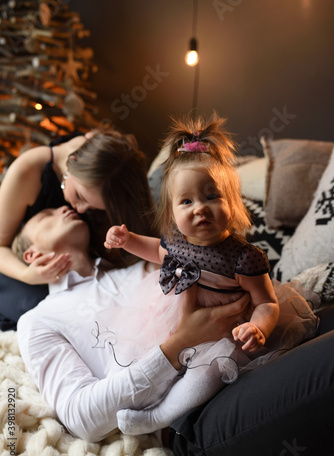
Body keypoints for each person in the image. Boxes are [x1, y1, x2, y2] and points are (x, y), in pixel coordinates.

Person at [15, 205, 334, 456]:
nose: (62, 208)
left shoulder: (139, 266)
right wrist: (181, 342)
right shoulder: (39, 320)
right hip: (196, 420)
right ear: (31, 255)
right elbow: (82, 417)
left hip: (256, 354)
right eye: (46, 216)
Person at [104, 114, 318, 435]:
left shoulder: (244, 258)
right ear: (173, 214)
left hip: (223, 334)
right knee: (142, 351)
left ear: (232, 201)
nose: (199, 208)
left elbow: (267, 303)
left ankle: (160, 416)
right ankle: (140, 398)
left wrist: (257, 327)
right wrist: (128, 240)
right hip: (175, 321)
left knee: (206, 376)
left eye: (211, 196)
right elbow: (154, 251)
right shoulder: (176, 243)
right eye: (186, 201)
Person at [0, 127, 156, 329]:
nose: (80, 209)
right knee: (52, 312)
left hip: (87, 262)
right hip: (22, 264)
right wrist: (26, 275)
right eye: (80, 197)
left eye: (92, 207)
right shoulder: (28, 170)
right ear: (72, 163)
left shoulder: (117, 161)